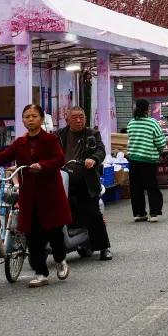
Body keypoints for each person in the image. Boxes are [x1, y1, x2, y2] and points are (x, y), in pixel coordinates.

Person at [0, 104, 71, 288]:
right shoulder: (19, 143)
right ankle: (41, 273)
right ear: (23, 120)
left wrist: (42, 165)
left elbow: (59, 159)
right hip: (29, 195)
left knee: (54, 232)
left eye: (34, 116)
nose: (30, 119)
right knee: (33, 235)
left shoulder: (51, 140)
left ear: (41, 119)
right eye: (27, 116)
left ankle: (60, 260)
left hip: (50, 195)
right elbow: (3, 156)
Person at [56, 107, 112, 261]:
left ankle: (104, 247)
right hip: (63, 180)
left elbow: (100, 150)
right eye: (74, 117)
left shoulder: (92, 134)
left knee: (93, 213)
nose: (79, 120)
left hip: (85, 181)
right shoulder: (58, 135)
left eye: (81, 117)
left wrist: (93, 159)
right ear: (67, 119)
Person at [126, 99, 167, 223]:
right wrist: (161, 147)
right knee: (151, 186)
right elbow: (160, 142)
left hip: (133, 159)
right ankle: (154, 213)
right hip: (148, 160)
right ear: (147, 109)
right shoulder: (152, 123)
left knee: (136, 187)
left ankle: (139, 213)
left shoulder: (131, 123)